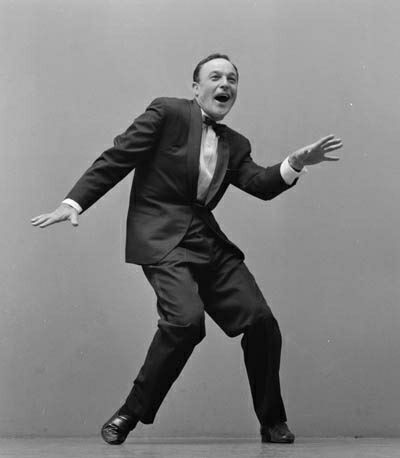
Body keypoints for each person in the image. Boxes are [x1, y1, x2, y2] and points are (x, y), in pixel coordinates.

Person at [31, 53, 342, 445]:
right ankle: (131, 410)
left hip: (208, 243)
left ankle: (272, 422)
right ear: (196, 88)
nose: (225, 84)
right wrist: (72, 203)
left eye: (232, 78)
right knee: (185, 322)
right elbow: (117, 158)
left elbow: (261, 185)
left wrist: (293, 164)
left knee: (262, 322)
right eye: (215, 76)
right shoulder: (168, 113)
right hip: (161, 237)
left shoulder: (236, 143)